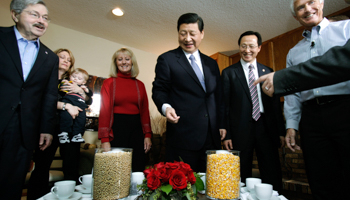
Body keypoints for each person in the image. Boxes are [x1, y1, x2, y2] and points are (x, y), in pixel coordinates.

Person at [282, 0, 350, 199]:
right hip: (311, 117)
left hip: (344, 109)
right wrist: (291, 125)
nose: (307, 9)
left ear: (321, 2)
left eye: (311, 2)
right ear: (296, 16)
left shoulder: (346, 29)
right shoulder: (293, 52)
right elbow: (292, 94)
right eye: (300, 7)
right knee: (320, 178)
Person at [152, 13, 226, 173]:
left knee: (211, 186)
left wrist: (221, 124)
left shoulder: (212, 64)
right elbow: (159, 89)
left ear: (202, 34)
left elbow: (217, 97)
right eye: (182, 33)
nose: (187, 38)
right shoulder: (167, 59)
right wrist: (166, 107)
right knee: (183, 189)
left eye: (192, 33)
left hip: (211, 138)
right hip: (183, 136)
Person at [0, 0, 58, 199]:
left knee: (12, 184)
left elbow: (49, 95)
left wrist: (46, 128)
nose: (41, 21)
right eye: (34, 14)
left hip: (24, 130)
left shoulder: (50, 57)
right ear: (15, 15)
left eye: (45, 17)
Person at [221, 31, 285, 191]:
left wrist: (281, 131)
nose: (247, 50)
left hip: (266, 127)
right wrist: (227, 134)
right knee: (241, 171)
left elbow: (275, 105)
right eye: (243, 46)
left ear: (259, 48)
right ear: (239, 47)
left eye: (251, 46)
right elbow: (224, 105)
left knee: (271, 169)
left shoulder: (268, 71)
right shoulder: (229, 73)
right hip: (240, 129)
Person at [27, 49, 92, 200]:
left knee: (71, 165)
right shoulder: (44, 77)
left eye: (68, 59)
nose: (65, 60)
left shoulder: (72, 82)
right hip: (47, 127)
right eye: (61, 57)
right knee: (42, 166)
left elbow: (88, 100)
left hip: (69, 129)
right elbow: (39, 100)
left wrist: (80, 91)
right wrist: (65, 106)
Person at [99, 47, 152, 172]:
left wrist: (147, 135)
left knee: (137, 166)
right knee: (117, 169)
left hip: (137, 130)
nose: (124, 62)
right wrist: (104, 139)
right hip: (116, 129)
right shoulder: (109, 83)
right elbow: (105, 111)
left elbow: (144, 111)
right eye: (120, 59)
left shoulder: (140, 85)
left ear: (132, 62)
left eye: (127, 59)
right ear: (115, 63)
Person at [255, 39, 350, 97]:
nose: (307, 9)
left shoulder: (345, 27)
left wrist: (279, 79)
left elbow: (339, 61)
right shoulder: (293, 51)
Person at [59, 68, 90, 143]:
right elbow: (61, 87)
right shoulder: (68, 83)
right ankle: (63, 133)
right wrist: (63, 83)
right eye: (74, 77)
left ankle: (77, 134)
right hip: (68, 101)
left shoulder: (83, 87)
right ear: (70, 76)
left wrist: (84, 90)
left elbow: (89, 97)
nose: (75, 79)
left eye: (79, 78)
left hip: (80, 104)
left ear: (83, 82)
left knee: (81, 119)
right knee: (65, 117)